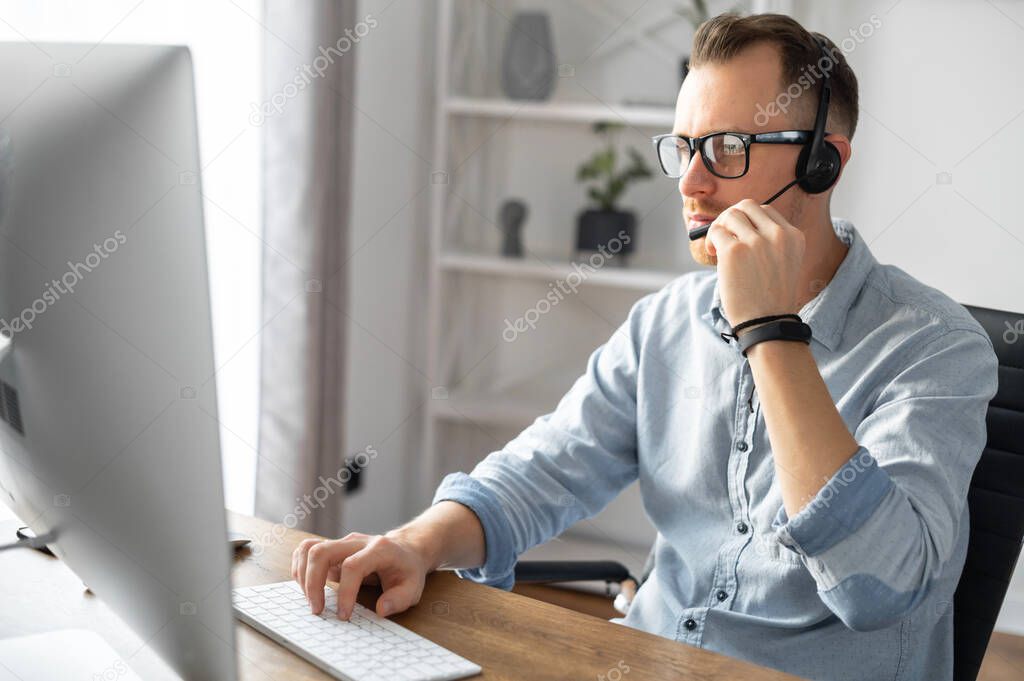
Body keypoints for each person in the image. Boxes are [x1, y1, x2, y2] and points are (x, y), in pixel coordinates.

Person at [292, 13, 998, 680]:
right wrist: (419, 542)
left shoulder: (935, 348)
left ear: (823, 163)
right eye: (684, 148)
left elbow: (881, 586)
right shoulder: (667, 321)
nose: (690, 183)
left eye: (727, 148)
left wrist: (770, 332)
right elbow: (544, 470)